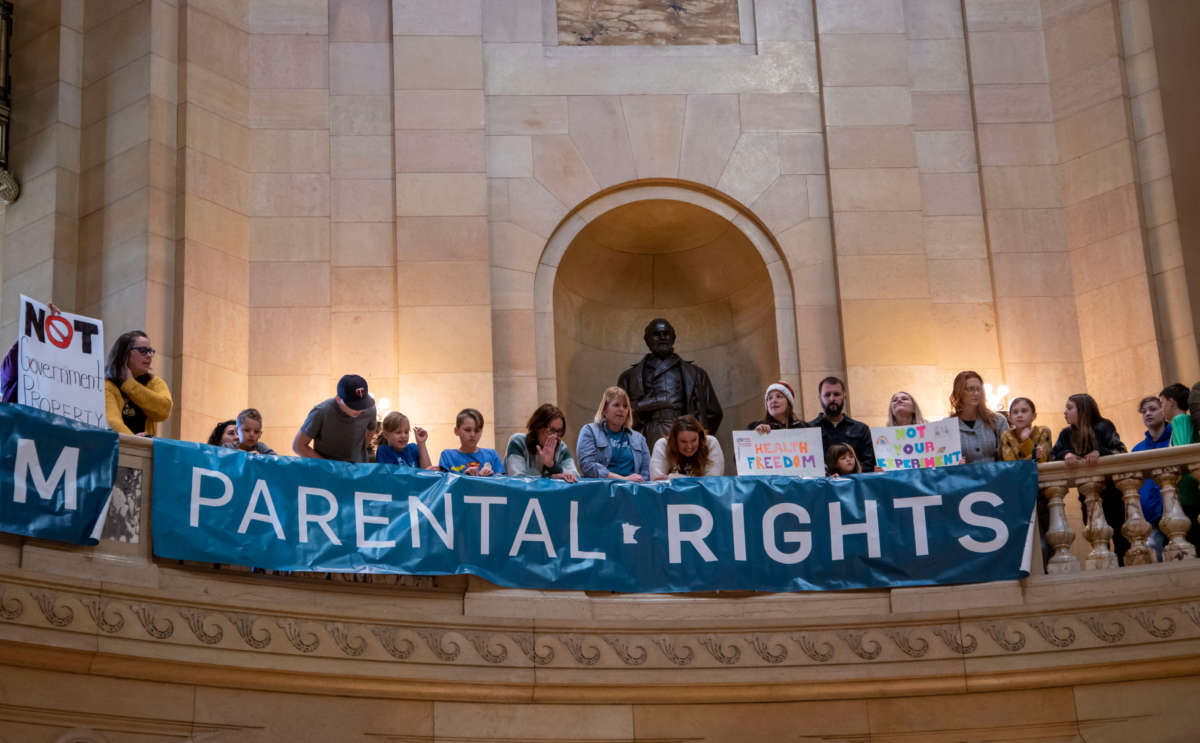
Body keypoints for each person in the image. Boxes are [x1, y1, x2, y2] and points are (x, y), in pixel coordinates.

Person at [616, 318, 722, 449]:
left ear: (673, 337)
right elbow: (618, 415)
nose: (662, 337)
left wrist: (697, 439)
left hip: (685, 436)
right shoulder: (629, 376)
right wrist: (647, 404)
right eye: (656, 334)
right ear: (646, 339)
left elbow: (713, 413)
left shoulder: (696, 374)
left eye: (666, 334)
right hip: (647, 436)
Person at [1052, 393, 1129, 561]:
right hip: (1086, 495)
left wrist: (1100, 453)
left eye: (1069, 408)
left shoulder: (1104, 426)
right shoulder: (1066, 434)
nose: (1065, 412)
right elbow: (1053, 454)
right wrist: (1066, 454)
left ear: (1083, 410)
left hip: (1112, 492)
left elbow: (1121, 450)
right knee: (1097, 537)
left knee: (1120, 536)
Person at [292, 374, 377, 462]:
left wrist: (358, 451)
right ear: (339, 400)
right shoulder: (322, 412)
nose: (359, 410)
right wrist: (329, 467)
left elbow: (371, 431)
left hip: (358, 469)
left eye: (363, 404)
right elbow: (298, 446)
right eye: (354, 406)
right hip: (327, 472)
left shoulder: (369, 408)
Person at [104, 330, 173, 436]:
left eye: (150, 351)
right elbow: (112, 422)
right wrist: (134, 440)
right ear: (124, 354)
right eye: (143, 350)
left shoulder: (155, 383)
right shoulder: (107, 385)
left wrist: (130, 384)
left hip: (145, 450)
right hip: (118, 449)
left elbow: (164, 410)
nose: (149, 355)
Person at [577, 386, 651, 481]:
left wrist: (638, 483)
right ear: (604, 409)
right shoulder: (589, 431)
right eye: (616, 405)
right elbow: (587, 466)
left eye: (625, 406)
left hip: (633, 491)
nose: (621, 409)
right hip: (601, 490)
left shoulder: (639, 438)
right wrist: (623, 479)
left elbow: (646, 471)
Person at [1131, 396, 1170, 559]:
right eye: (1144, 411)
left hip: (1175, 510)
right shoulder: (1137, 449)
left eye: (1153, 409)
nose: (1148, 413)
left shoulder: (1174, 439)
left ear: (1163, 411)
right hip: (1150, 518)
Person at [807, 376, 875, 472]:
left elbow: (869, 462)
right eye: (827, 395)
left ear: (844, 396)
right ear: (819, 398)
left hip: (855, 485)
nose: (832, 399)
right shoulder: (808, 430)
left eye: (836, 394)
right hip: (822, 486)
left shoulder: (861, 429)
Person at [505, 403, 579, 482]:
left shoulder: (561, 447)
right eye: (552, 430)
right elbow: (517, 477)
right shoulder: (518, 442)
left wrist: (552, 465)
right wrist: (550, 477)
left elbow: (575, 476)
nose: (555, 436)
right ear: (538, 427)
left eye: (559, 431)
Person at [948, 370, 1009, 464]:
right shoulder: (947, 426)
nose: (976, 393)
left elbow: (1009, 457)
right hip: (964, 477)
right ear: (959, 392)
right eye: (970, 389)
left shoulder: (998, 421)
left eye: (978, 389)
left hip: (996, 477)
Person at [650, 415, 724, 480]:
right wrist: (698, 482)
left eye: (694, 440)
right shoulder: (662, 445)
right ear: (675, 440)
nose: (689, 446)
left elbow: (713, 482)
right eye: (683, 441)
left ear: (700, 437)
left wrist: (672, 477)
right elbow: (657, 481)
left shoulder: (710, 443)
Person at [438, 408, 505, 476]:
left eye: (477, 431)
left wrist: (489, 478)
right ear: (456, 431)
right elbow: (443, 484)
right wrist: (464, 478)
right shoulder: (447, 456)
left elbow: (500, 482)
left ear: (481, 432)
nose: (472, 435)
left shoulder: (491, 455)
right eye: (467, 430)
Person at [999, 397, 1052, 463]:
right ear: (1010, 418)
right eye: (1015, 412)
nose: (1019, 415)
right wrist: (1033, 456)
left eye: (1024, 411)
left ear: (1034, 416)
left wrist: (1026, 440)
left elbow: (1042, 461)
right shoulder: (1006, 435)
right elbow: (1012, 466)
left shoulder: (1043, 431)